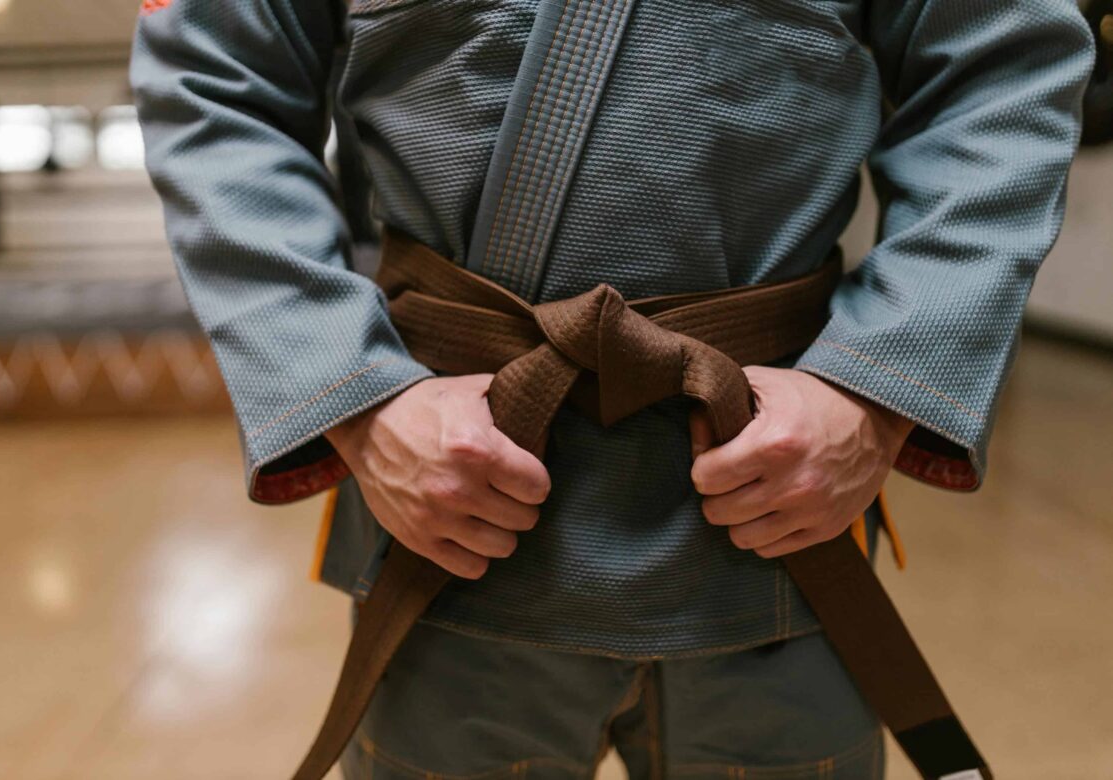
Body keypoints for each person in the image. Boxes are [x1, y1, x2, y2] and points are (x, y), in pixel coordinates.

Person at [130, 1, 1094, 777]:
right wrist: (355, 397)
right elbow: (215, 89)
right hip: (452, 504)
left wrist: (880, 388)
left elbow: (1004, 71)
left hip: (776, 505)